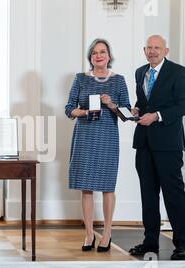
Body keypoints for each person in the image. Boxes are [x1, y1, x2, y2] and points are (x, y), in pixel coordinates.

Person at [129, 35, 185, 260]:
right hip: (144, 143)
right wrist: (137, 110)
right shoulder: (139, 72)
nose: (152, 51)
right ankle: (150, 243)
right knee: (148, 195)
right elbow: (144, 102)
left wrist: (156, 116)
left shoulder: (178, 72)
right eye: (149, 48)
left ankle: (183, 244)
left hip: (168, 144)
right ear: (143, 50)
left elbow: (184, 106)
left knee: (173, 194)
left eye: (157, 48)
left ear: (166, 50)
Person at [65, 39, 130, 252]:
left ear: (109, 56)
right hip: (85, 137)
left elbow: (126, 113)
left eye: (102, 52)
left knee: (108, 187)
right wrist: (84, 112)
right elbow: (68, 109)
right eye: (94, 53)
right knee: (86, 188)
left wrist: (111, 104)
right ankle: (89, 233)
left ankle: (108, 233)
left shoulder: (119, 81)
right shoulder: (80, 79)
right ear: (90, 57)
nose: (98, 56)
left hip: (108, 138)